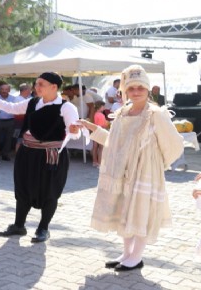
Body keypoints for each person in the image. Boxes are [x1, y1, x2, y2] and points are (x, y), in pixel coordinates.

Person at [76, 65, 183, 272]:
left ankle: (137, 256)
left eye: (140, 88)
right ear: (125, 90)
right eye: (131, 88)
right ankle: (126, 253)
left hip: (144, 172)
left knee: (141, 211)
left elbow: (174, 144)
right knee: (124, 209)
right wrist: (93, 129)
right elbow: (114, 143)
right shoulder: (122, 112)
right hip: (123, 172)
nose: (135, 92)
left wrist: (156, 164)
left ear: (148, 90)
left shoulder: (156, 114)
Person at [0, 72, 80, 243]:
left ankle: (43, 228)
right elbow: (10, 108)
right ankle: (19, 226)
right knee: (22, 188)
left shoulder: (66, 107)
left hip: (50, 155)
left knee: (50, 191)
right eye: (36, 84)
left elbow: (73, 133)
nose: (36, 87)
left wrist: (75, 131)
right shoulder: (33, 102)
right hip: (27, 152)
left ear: (54, 87)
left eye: (41, 84)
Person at [0, 83, 17, 161]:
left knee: (8, 139)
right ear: (0, 90)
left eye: (6, 89)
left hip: (10, 121)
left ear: (9, 90)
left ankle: (5, 155)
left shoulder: (14, 99)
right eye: (2, 89)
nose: (4, 91)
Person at [91, 101, 108, 168]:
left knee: (95, 147)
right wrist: (107, 124)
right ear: (100, 107)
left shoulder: (95, 114)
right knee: (101, 148)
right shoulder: (101, 115)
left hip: (95, 132)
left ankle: (94, 162)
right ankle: (100, 163)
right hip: (100, 132)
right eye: (103, 106)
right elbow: (102, 125)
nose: (104, 107)